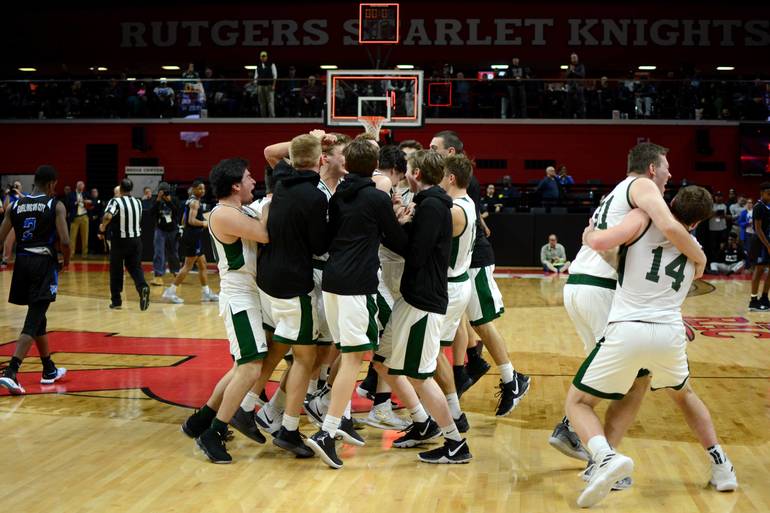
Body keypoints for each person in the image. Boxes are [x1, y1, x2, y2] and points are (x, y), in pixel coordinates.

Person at [571, 186, 736, 508]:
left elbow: (610, 252)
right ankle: (721, 465)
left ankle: (605, 458)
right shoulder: (696, 251)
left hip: (628, 329)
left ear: (670, 202)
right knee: (685, 396)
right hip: (669, 333)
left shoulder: (641, 221)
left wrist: (590, 235)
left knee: (578, 403)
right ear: (698, 222)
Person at [553, 142, 707, 478]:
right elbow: (670, 228)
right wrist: (699, 257)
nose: (670, 174)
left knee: (610, 373)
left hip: (581, 285)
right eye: (666, 167)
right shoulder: (643, 186)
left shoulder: (618, 192)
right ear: (652, 168)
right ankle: (600, 457)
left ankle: (579, 433)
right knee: (639, 377)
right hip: (604, 288)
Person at [305, 138, 410, 469]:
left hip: (332, 280)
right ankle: (327, 430)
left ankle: (336, 417)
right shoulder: (376, 197)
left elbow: (325, 239)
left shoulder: (338, 195)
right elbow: (396, 239)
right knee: (353, 359)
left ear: (347, 165)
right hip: (356, 284)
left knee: (345, 354)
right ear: (375, 166)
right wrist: (403, 222)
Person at [372, 149, 472, 464]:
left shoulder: (432, 206)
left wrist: (389, 226)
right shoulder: (429, 203)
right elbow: (416, 244)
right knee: (382, 363)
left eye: (408, 170)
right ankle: (422, 422)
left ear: (416, 174)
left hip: (423, 301)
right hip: (412, 297)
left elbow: (415, 254)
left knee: (419, 376)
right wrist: (401, 221)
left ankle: (455, 442)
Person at [180, 158, 271, 463]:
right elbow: (265, 233)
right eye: (248, 177)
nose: (253, 181)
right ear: (235, 186)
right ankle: (214, 433)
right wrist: (275, 201)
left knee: (240, 367)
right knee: (250, 368)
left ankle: (201, 420)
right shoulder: (222, 214)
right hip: (239, 297)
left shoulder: (239, 209)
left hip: (249, 294)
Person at [256, 134, 330, 456]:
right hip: (293, 283)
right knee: (305, 358)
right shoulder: (315, 196)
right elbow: (320, 245)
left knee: (279, 349)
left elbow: (270, 149)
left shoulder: (283, 179)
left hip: (268, 278)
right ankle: (288, 429)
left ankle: (251, 407)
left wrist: (310, 139)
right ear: (321, 160)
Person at [0, 165, 70, 395]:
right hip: (43, 264)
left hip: (22, 264)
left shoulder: (14, 205)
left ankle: (49, 369)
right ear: (51, 184)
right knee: (33, 319)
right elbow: (65, 241)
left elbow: (1, 238)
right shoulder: (54, 205)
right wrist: (66, 260)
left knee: (38, 316)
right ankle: (11, 371)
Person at [162, 180, 218, 303]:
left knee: (203, 264)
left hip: (193, 236)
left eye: (204, 189)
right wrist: (206, 223)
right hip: (193, 237)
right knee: (188, 266)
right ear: (194, 189)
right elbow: (191, 221)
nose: (202, 191)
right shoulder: (195, 202)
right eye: (200, 188)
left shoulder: (190, 201)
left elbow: (183, 220)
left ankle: (206, 292)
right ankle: (170, 291)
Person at [98, 178, 150, 311]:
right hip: (136, 240)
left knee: (116, 270)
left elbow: (108, 216)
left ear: (120, 189)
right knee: (135, 268)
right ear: (131, 189)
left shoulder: (115, 201)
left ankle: (116, 301)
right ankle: (143, 287)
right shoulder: (138, 202)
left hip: (120, 241)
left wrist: (103, 226)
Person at [150, 182, 181, 286]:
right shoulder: (156, 200)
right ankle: (158, 275)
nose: (163, 193)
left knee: (173, 253)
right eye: (161, 191)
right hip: (160, 230)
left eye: (165, 191)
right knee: (158, 252)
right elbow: (151, 213)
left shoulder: (174, 199)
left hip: (173, 230)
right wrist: (158, 200)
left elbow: (177, 213)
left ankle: (176, 272)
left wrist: (169, 202)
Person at [748, 184, 770, 311]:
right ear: (762, 193)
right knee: (759, 269)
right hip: (761, 243)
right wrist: (768, 245)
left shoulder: (768, 206)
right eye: (768, 193)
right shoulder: (758, 207)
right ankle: (753, 300)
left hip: (768, 241)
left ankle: (765, 298)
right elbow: (758, 229)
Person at [66, 180, 91, 258]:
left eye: (83, 186)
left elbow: (93, 201)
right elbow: (68, 204)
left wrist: (88, 201)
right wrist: (76, 202)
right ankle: (71, 253)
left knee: (85, 236)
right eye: (80, 186)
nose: (82, 188)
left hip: (84, 216)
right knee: (72, 237)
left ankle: (84, 254)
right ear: (77, 186)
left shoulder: (86, 194)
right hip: (75, 217)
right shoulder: (71, 194)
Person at [1, 180, 22, 267]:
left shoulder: (23, 195)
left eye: (18, 185)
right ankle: (5, 260)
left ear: (20, 187)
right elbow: (5, 207)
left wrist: (19, 193)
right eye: (15, 185)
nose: (16, 187)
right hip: (13, 222)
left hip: (22, 221)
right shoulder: (9, 196)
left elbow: (28, 201)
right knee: (8, 241)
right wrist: (7, 195)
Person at [254, 51, 277, 117]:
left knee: (270, 102)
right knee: (262, 103)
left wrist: (273, 85)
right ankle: (263, 117)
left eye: (264, 56)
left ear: (267, 57)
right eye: (262, 56)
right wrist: (256, 86)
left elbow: (275, 76)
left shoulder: (272, 64)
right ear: (260, 57)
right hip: (260, 86)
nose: (263, 58)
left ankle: (272, 117)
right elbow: (256, 77)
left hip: (269, 86)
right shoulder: (258, 66)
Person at [737, 198, 754, 267]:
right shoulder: (743, 212)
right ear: (746, 204)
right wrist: (748, 223)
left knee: (754, 250)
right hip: (746, 234)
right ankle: (747, 266)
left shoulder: (755, 211)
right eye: (748, 203)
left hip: (755, 233)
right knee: (747, 250)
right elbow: (740, 223)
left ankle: (754, 265)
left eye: (751, 203)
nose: (749, 204)